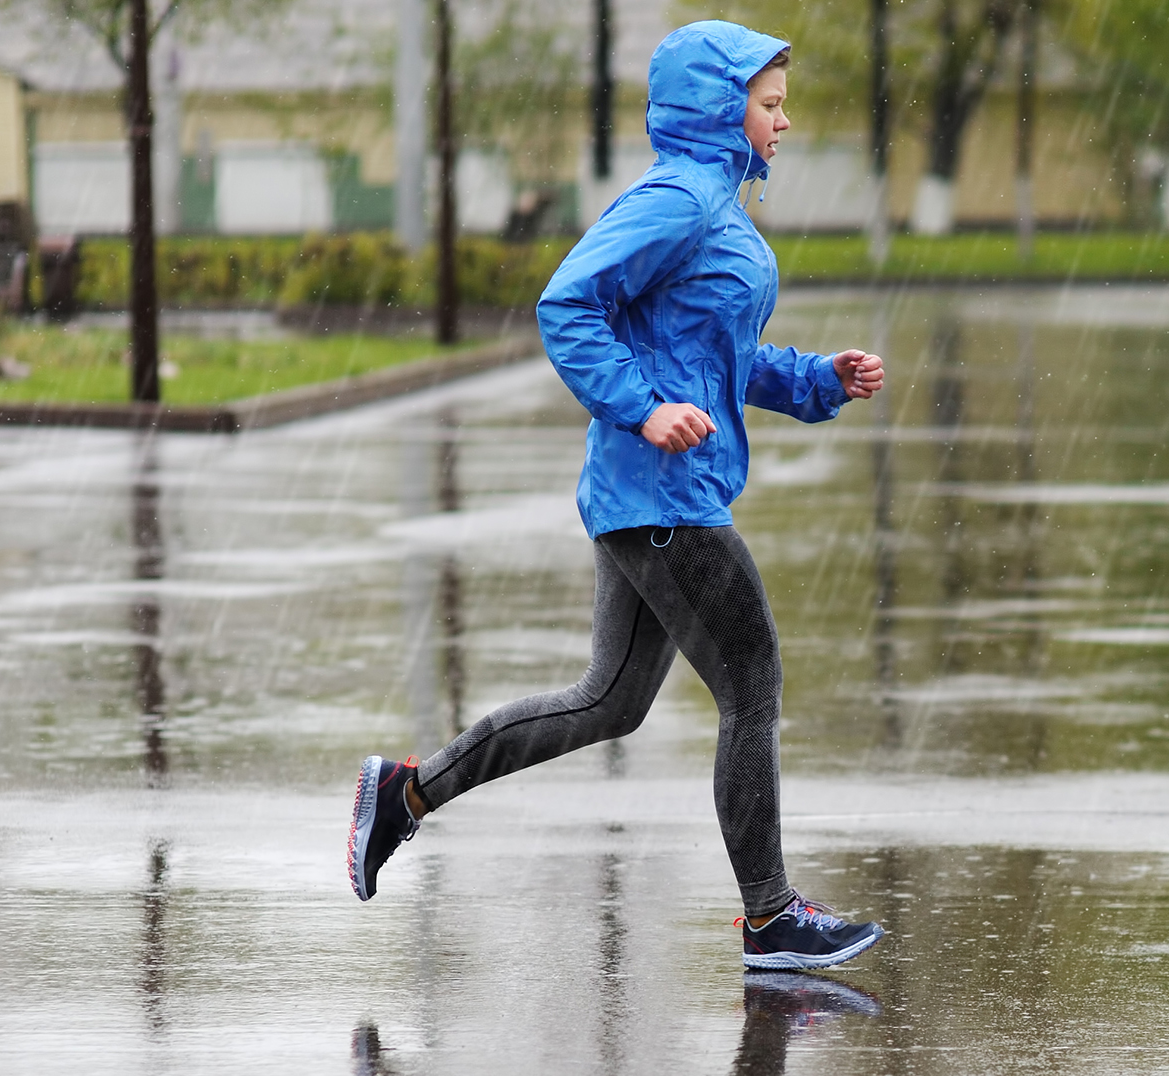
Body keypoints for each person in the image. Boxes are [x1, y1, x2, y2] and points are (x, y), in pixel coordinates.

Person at [345, 20, 888, 972]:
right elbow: (567, 304)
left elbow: (713, 356)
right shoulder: (680, 200)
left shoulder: (715, 205)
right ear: (722, 109)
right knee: (752, 682)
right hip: (662, 495)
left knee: (608, 703)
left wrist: (817, 381)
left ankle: (405, 794)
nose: (785, 121)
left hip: (656, 495)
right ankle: (771, 920)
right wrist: (643, 412)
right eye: (769, 104)